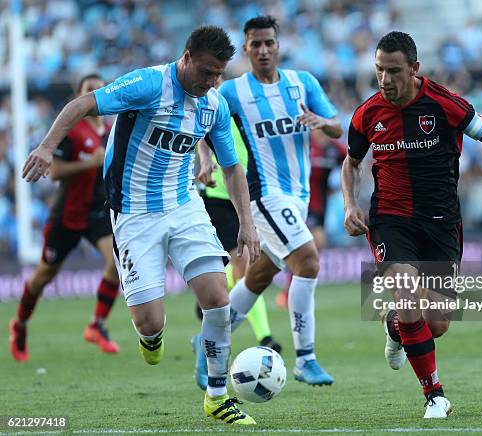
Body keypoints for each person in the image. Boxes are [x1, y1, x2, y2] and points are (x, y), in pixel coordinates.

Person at [22, 26, 259, 426]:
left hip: (185, 207)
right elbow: (82, 105)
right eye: (206, 72)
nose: (212, 81)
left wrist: (246, 222)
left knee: (218, 297)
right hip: (133, 214)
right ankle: (151, 337)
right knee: (149, 323)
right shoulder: (149, 84)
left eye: (218, 74)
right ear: (185, 58)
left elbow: (232, 167)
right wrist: (46, 147)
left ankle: (217, 397)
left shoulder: (213, 104)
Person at [341, 31, 482, 418]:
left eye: (394, 71)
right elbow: (351, 163)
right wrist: (351, 204)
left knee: (439, 322)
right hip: (392, 221)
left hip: (441, 223)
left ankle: (393, 326)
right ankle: (435, 396)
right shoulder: (367, 114)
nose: (385, 80)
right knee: (409, 295)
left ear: (415, 69)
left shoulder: (445, 104)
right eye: (379, 70)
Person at [217, 15, 343, 386]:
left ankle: (208, 341)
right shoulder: (232, 92)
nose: (263, 50)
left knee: (258, 277)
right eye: (255, 44)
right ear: (246, 49)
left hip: (298, 196)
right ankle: (306, 357)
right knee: (307, 261)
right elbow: (205, 122)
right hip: (264, 194)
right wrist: (207, 159)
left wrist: (320, 121)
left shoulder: (303, 83)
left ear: (278, 46)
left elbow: (337, 127)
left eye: (268, 43)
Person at [9, 74, 121, 362]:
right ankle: (19, 324)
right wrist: (90, 162)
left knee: (116, 265)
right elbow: (55, 172)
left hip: (97, 212)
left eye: (100, 88)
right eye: (90, 89)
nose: (96, 93)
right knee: (43, 277)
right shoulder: (72, 130)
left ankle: (96, 325)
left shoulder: (110, 130)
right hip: (68, 214)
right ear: (79, 94)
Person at [191, 119, 283, 390]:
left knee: (245, 270)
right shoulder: (219, 104)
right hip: (218, 196)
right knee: (245, 268)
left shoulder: (249, 106)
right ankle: (264, 337)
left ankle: (210, 331)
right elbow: (202, 135)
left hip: (247, 195)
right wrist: (205, 159)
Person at [276, 129, 347, 309]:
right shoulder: (304, 145)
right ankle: (290, 292)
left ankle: (293, 288)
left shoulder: (333, 149)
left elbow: (350, 161)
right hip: (301, 205)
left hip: (320, 206)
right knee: (313, 244)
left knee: (310, 249)